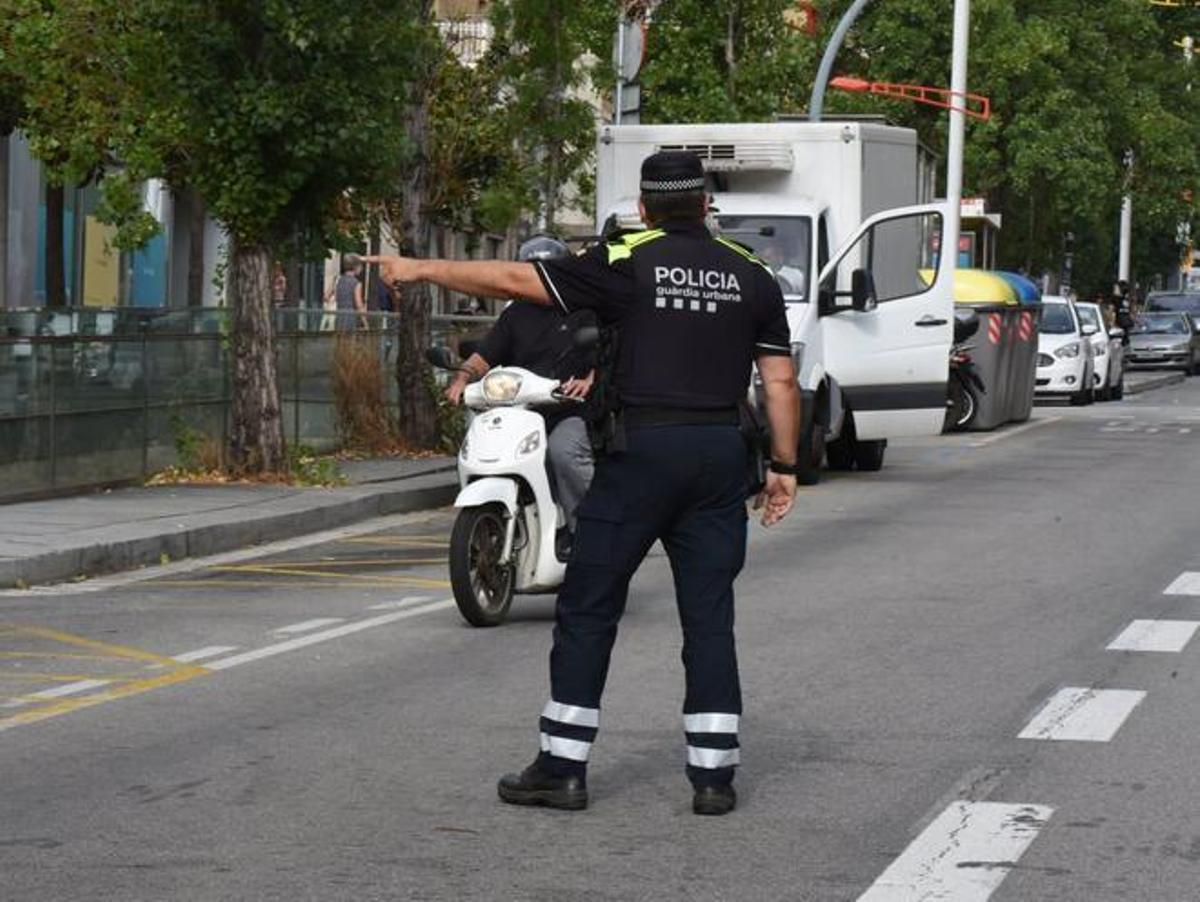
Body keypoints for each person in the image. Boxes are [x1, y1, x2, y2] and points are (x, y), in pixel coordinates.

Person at [365, 150, 800, 818]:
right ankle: (714, 777)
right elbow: (779, 381)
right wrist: (785, 467)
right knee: (709, 613)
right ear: (706, 205)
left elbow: (515, 277)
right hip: (718, 455)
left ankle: (562, 766)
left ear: (646, 206)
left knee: (589, 607)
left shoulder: (627, 260)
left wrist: (418, 267)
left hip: (640, 452)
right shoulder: (753, 274)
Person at [444, 235, 597, 543]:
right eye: (530, 271)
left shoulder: (585, 312)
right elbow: (485, 354)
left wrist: (589, 379)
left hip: (569, 410)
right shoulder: (516, 314)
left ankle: (589, 532)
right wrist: (461, 379)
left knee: (563, 453)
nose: (535, 278)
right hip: (521, 412)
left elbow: (606, 350)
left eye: (544, 271)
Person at [324, 254, 366, 329]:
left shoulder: (337, 279)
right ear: (355, 267)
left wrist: (336, 298)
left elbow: (326, 297)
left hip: (338, 315)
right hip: (350, 316)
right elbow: (359, 304)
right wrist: (365, 322)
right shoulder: (356, 283)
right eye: (360, 266)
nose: (361, 269)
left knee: (338, 339)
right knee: (349, 339)